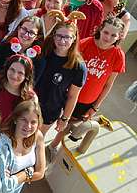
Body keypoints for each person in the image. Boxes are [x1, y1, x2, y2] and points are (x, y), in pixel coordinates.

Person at [49, 17, 125, 154]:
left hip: (87, 100)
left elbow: (108, 84)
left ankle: (53, 146)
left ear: (119, 36)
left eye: (113, 35)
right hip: (67, 93)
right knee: (53, 117)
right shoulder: (85, 44)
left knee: (67, 125)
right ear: (100, 29)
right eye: (106, 32)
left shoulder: (118, 55)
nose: (108, 37)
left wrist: (95, 107)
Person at [34, 15, 87, 140]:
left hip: (50, 109)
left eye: (67, 37)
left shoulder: (78, 66)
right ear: (53, 35)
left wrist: (65, 118)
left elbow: (73, 96)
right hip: (29, 102)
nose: (62, 41)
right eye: (58, 36)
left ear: (74, 39)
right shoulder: (43, 52)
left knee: (36, 139)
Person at [0, 55, 38, 122]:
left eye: (20, 73)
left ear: (26, 76)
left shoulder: (30, 97)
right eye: (12, 70)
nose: (15, 76)